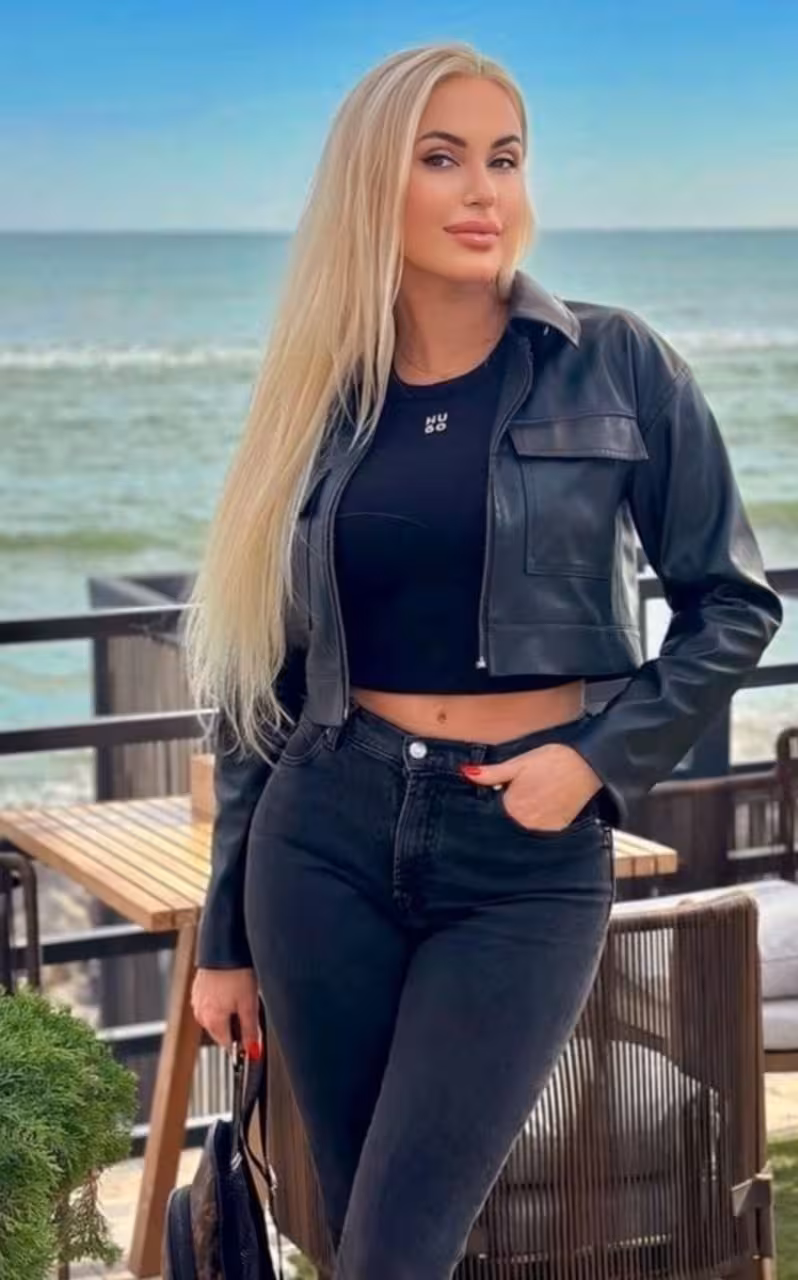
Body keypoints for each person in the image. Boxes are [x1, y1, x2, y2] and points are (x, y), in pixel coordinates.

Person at [182, 41, 783, 1280]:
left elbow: (731, 601)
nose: (483, 192)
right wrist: (223, 934)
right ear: (372, 186)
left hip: (522, 857)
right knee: (359, 1229)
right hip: (324, 837)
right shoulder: (317, 400)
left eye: (503, 159)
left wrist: (596, 761)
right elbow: (259, 686)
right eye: (442, 158)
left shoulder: (616, 360)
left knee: (398, 1246)